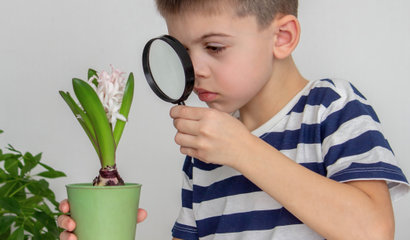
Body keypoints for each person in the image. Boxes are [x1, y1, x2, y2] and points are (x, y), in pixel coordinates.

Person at [58, 0, 410, 239]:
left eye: (214, 48)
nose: (194, 70)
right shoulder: (204, 156)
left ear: (282, 37)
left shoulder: (331, 107)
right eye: (181, 50)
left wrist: (245, 151)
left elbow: (373, 230)